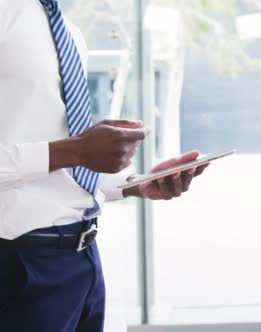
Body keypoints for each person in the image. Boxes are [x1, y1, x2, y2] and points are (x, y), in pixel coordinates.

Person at [0, 0, 208, 330]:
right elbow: (70, 152)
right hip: (19, 263)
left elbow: (63, 158)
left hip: (83, 262)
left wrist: (136, 182)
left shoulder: (68, 32)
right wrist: (77, 152)